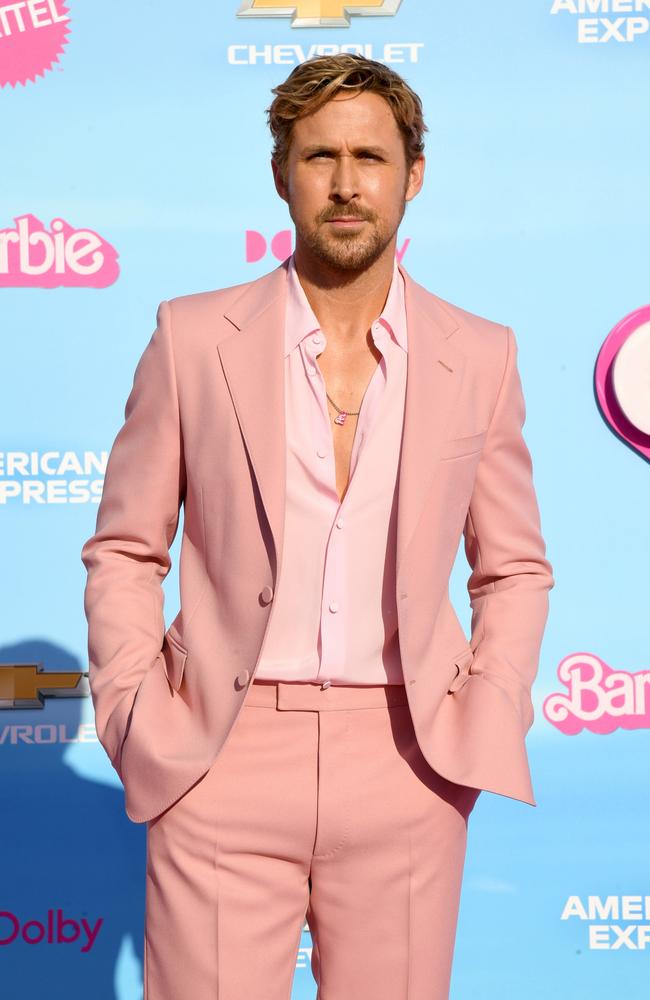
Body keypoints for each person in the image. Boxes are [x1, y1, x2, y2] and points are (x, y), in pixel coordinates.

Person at [81, 53, 554, 1000]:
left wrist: (482, 709)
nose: (346, 185)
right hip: (218, 752)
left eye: (371, 158)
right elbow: (128, 547)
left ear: (412, 176)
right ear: (281, 175)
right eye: (320, 157)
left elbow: (513, 568)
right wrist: (140, 713)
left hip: (408, 760)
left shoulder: (482, 355)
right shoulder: (191, 336)